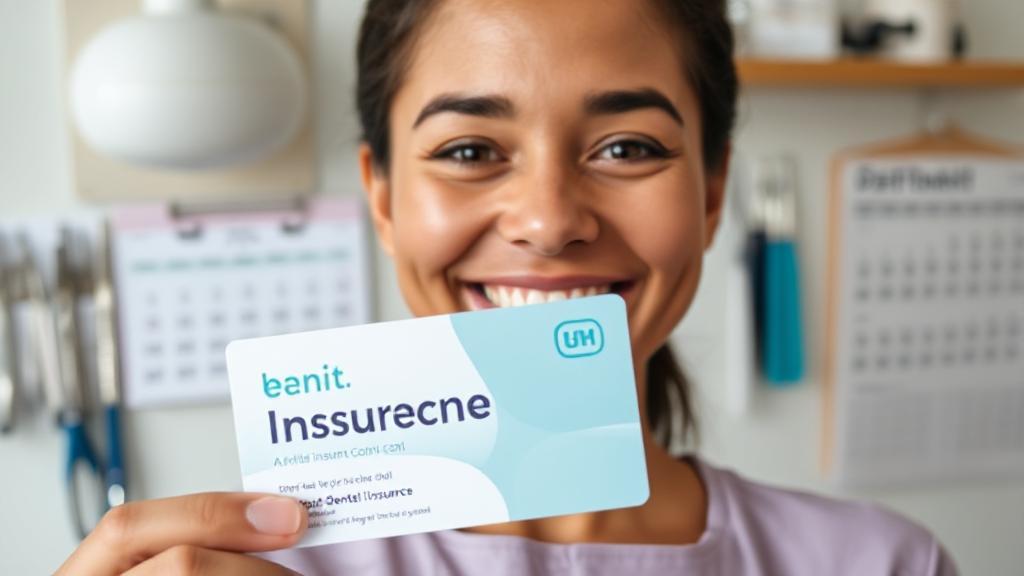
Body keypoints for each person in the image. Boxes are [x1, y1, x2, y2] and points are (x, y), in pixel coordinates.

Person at [58, 0, 958, 574]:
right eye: (469, 152)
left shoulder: (884, 564)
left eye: (627, 147)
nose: (548, 219)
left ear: (714, 190)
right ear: (382, 195)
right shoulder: (253, 571)